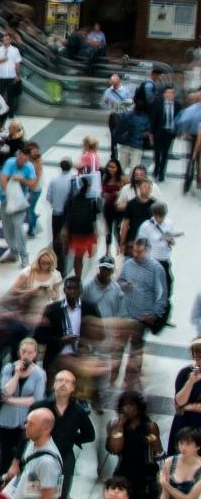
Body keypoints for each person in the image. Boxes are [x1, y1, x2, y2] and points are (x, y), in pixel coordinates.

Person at [10, 371, 93, 499]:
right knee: (33, 493)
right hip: (39, 455)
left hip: (64, 457)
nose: (63, 384)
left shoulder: (78, 411)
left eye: (67, 381)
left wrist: (72, 438)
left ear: (73, 387)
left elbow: (90, 435)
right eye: (60, 380)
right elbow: (25, 434)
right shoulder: (40, 407)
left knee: (61, 493)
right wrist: (15, 462)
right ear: (54, 384)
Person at [0, 337, 47, 493]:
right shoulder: (9, 368)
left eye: (30, 352)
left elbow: (36, 400)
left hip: (26, 421)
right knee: (5, 453)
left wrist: (11, 400)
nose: (26, 355)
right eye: (23, 351)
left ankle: (17, 487)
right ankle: (0, 483)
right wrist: (16, 375)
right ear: (18, 352)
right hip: (6, 419)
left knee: (21, 454)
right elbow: (5, 391)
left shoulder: (39, 374)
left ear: (35, 354)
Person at [119, 238, 169, 390]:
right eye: (134, 250)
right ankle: (116, 376)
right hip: (125, 314)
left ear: (147, 251)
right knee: (119, 347)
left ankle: (131, 380)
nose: (135, 254)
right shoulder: (128, 264)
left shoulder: (156, 269)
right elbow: (119, 281)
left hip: (141, 318)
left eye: (139, 251)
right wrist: (123, 285)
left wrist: (154, 313)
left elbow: (163, 295)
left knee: (136, 349)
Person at [34, 277, 101, 377]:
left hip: (82, 359)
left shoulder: (90, 308)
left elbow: (100, 333)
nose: (72, 292)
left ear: (81, 290)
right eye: (69, 288)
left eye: (75, 288)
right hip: (57, 358)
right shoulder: (52, 309)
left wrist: (86, 344)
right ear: (64, 290)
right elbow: (38, 336)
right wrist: (60, 340)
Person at [107, 390, 162, 499]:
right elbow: (115, 449)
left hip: (145, 472)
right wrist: (120, 425)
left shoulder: (150, 426)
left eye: (131, 405)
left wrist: (151, 440)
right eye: (125, 405)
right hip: (124, 469)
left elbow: (158, 451)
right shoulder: (114, 424)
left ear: (138, 407)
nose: (128, 408)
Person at [2, 408, 63, 499]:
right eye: (26, 422)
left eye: (31, 424)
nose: (26, 426)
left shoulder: (47, 463)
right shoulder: (32, 443)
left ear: (45, 429)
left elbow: (48, 496)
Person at [0, 149, 38, 267]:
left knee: (18, 227)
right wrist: (9, 194)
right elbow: (3, 179)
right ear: (17, 157)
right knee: (7, 228)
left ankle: (24, 255)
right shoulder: (10, 163)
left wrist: (21, 179)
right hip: (6, 199)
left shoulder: (29, 167)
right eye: (20, 159)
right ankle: (13, 252)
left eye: (25, 160)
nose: (22, 162)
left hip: (20, 201)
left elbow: (33, 184)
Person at [10, 249, 64, 329]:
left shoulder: (55, 275)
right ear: (38, 261)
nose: (44, 265)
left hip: (46, 309)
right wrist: (30, 291)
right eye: (42, 262)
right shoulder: (28, 272)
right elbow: (13, 291)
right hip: (29, 308)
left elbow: (57, 298)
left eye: (48, 263)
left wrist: (52, 293)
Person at [63, 175, 100, 278]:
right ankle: (85, 277)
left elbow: (68, 217)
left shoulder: (72, 199)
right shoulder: (93, 199)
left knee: (78, 257)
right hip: (87, 233)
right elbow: (96, 215)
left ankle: (78, 277)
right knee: (88, 257)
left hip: (76, 233)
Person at [169, 341, 201, 451]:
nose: (198, 361)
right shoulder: (185, 373)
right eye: (196, 357)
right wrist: (191, 381)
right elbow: (179, 403)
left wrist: (190, 407)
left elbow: (183, 407)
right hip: (185, 423)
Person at [159, 428, 201, 499]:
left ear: (198, 447)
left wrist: (166, 485)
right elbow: (165, 494)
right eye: (181, 443)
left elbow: (190, 498)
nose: (183, 448)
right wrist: (165, 486)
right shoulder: (170, 461)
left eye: (188, 444)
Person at [151, 87, 180, 183]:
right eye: (168, 93)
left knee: (165, 154)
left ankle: (162, 172)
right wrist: (151, 133)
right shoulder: (158, 104)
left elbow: (178, 119)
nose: (170, 95)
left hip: (169, 133)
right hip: (159, 132)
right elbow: (153, 119)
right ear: (164, 94)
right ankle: (156, 170)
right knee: (157, 153)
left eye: (172, 93)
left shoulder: (177, 105)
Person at [120, 179, 156, 254]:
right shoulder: (131, 204)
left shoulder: (155, 204)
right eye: (144, 187)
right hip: (132, 238)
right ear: (139, 188)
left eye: (149, 187)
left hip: (148, 240)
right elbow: (125, 224)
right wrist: (122, 242)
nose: (147, 189)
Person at [114, 105, 151, 176]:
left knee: (122, 165)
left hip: (125, 143)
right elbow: (147, 132)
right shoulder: (146, 118)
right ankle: (131, 183)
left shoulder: (126, 115)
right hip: (137, 145)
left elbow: (119, 126)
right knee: (134, 167)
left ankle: (120, 181)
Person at [0, 32, 22, 117]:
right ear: (2, 40)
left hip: (11, 76)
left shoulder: (15, 50)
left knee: (10, 96)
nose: (6, 41)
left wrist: (17, 75)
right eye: (4, 39)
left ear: (10, 40)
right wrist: (2, 60)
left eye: (8, 39)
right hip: (1, 76)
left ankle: (10, 113)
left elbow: (18, 63)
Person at [103, 75, 132, 158]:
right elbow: (104, 103)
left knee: (125, 136)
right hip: (113, 115)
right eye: (112, 83)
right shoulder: (108, 91)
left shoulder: (126, 91)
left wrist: (119, 105)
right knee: (113, 136)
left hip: (123, 116)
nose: (114, 86)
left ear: (119, 82)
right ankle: (113, 154)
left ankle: (127, 154)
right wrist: (108, 105)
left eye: (115, 84)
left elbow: (130, 103)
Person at [102, 159, 127, 255]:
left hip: (118, 208)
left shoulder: (122, 179)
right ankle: (107, 251)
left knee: (118, 229)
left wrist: (120, 193)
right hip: (108, 207)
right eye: (109, 167)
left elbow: (128, 190)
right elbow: (101, 191)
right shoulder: (105, 178)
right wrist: (104, 194)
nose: (111, 169)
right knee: (107, 230)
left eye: (113, 167)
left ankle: (119, 248)